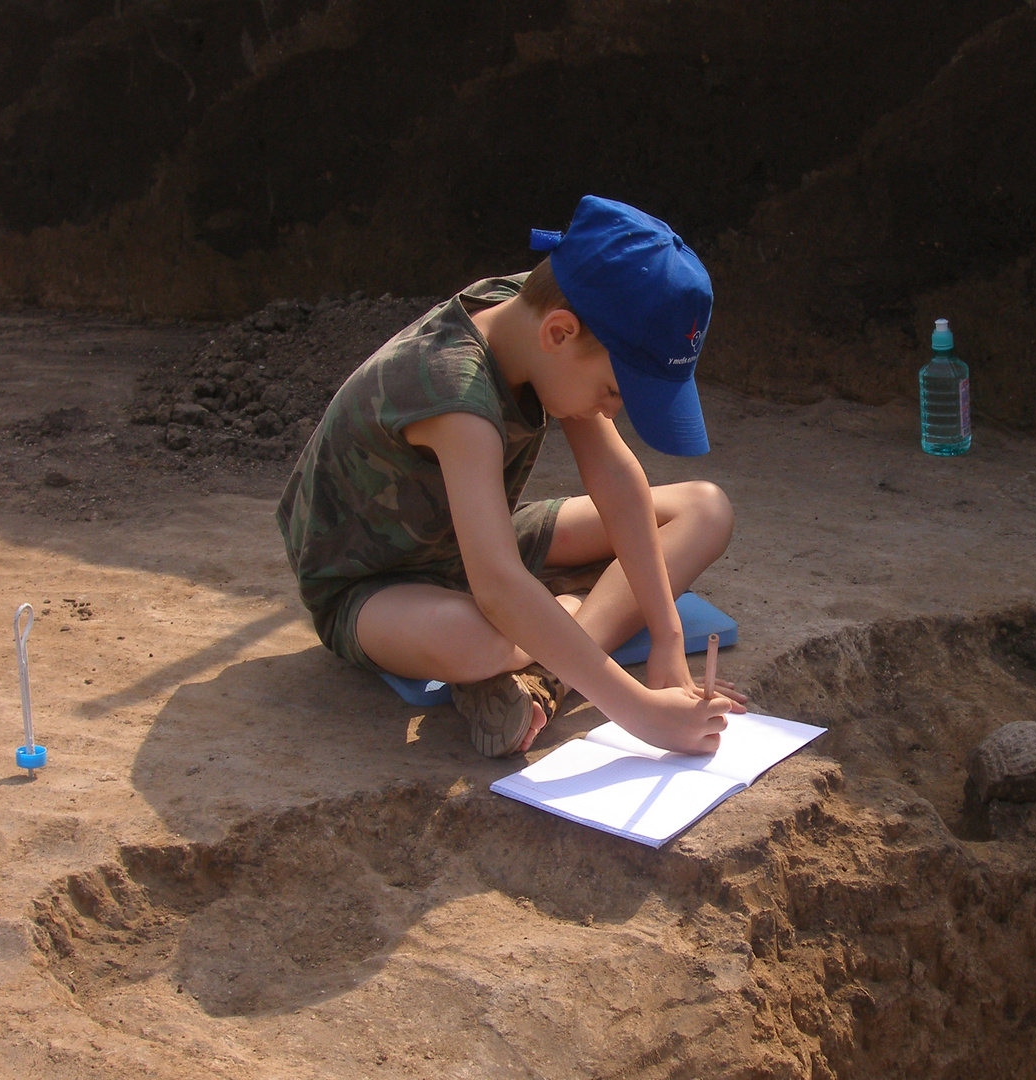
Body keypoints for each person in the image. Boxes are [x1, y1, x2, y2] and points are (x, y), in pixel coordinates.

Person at [277, 196, 745, 759]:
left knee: (705, 509)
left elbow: (616, 479)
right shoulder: (456, 393)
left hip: (465, 540)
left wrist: (667, 636)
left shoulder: (541, 314)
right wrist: (639, 712)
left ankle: (546, 675)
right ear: (560, 333)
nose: (612, 411)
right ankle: (566, 620)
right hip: (372, 585)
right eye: (614, 391)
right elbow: (496, 586)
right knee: (475, 638)